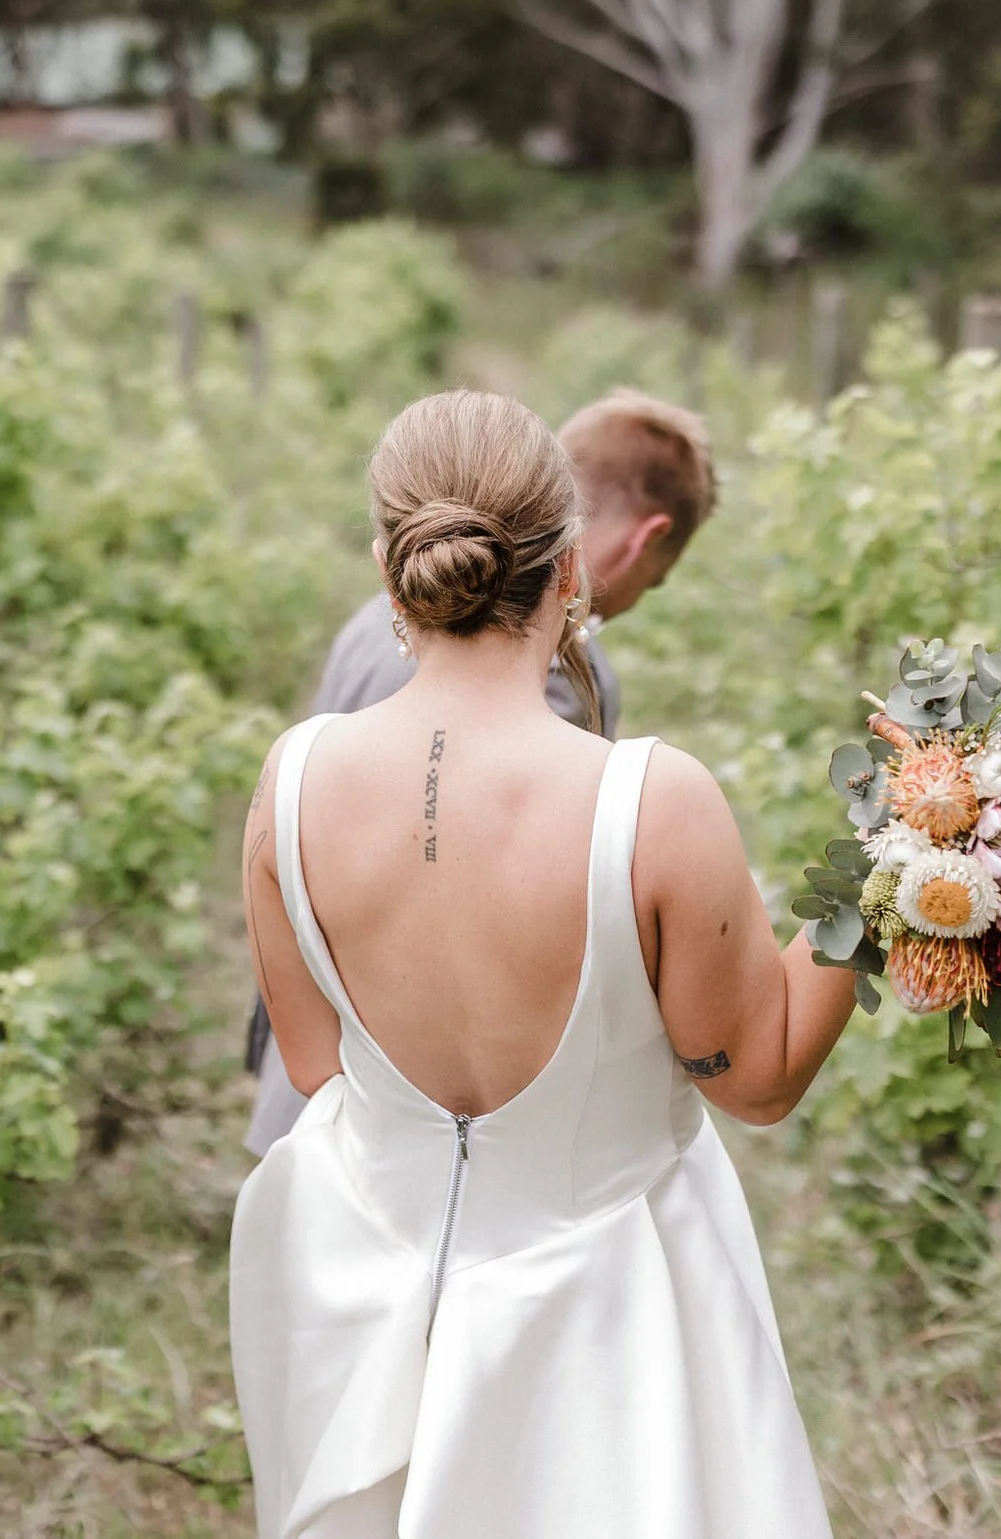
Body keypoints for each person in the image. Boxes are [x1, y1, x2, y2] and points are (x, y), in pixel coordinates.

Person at [230, 390, 850, 1536]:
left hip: (376, 1311)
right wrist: (893, 859)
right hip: (611, 1317)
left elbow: (317, 1064)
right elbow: (755, 1078)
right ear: (571, 568)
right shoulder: (653, 800)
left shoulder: (293, 780)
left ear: (389, 564)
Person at [243, 387, 716, 1155]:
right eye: (654, 581)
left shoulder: (385, 613)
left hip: (321, 1106)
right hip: (423, 1137)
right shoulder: (552, 676)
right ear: (639, 540)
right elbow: (518, 945)